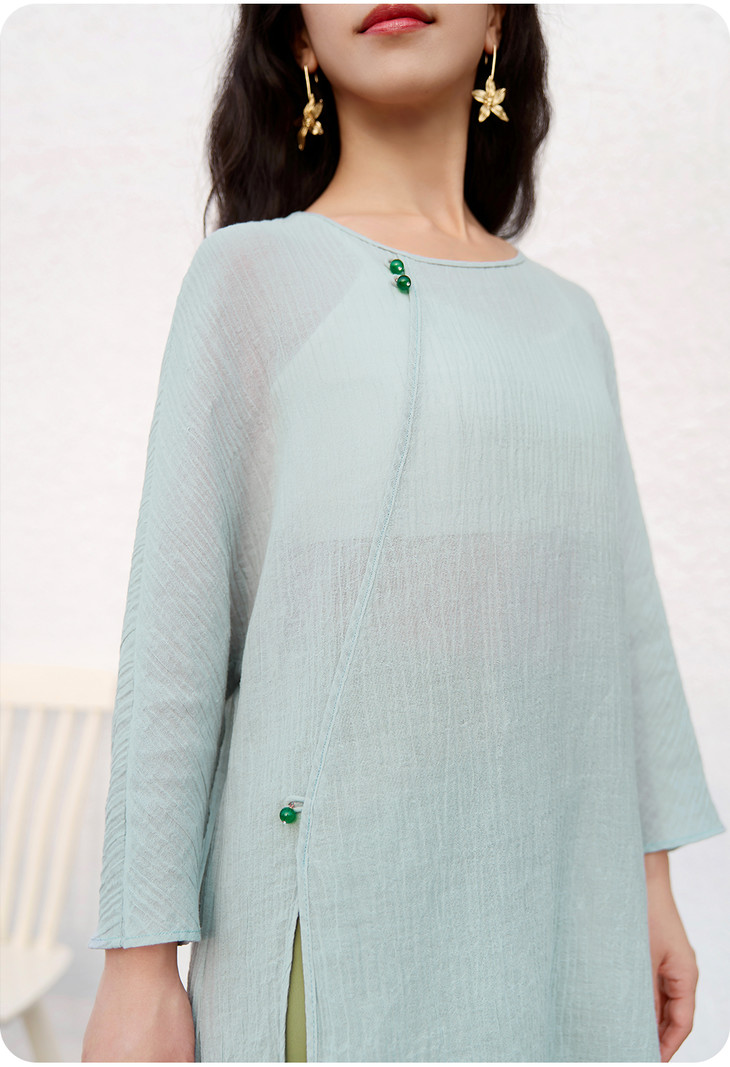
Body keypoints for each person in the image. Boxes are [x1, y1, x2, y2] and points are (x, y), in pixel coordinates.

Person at [81, 4, 725, 1063]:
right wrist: (138, 964)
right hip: (336, 920)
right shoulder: (250, 278)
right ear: (297, 39)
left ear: (497, 27)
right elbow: (175, 642)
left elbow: (622, 622)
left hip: (560, 911)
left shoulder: (569, 319)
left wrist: (651, 881)